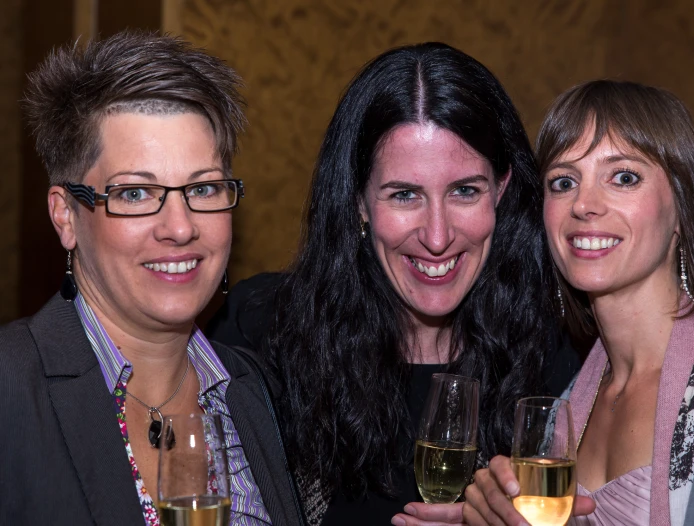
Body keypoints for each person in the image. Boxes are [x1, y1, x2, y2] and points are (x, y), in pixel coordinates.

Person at [208, 42, 581, 526]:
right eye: (404, 195)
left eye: (465, 191)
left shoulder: (557, 355)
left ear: (502, 190)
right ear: (359, 202)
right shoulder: (262, 335)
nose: (438, 236)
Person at [1, 31, 304, 526]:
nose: (181, 227)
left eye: (203, 187)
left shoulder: (257, 392)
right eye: (136, 194)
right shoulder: (11, 391)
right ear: (66, 216)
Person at [462, 80, 694, 526]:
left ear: (684, 208)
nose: (584, 204)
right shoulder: (562, 401)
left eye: (624, 177)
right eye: (564, 181)